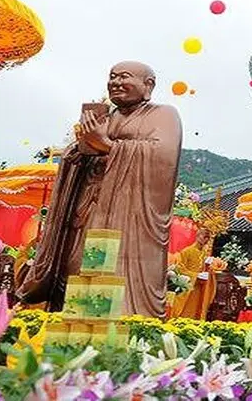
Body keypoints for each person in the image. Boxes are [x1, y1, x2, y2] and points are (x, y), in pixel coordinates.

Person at [18, 61, 183, 318]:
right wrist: (78, 150)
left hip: (126, 217)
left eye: (124, 77)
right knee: (77, 265)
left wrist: (107, 145)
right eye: (112, 77)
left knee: (107, 270)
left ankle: (110, 321)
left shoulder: (163, 114)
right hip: (86, 208)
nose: (116, 83)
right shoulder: (107, 116)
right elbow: (87, 152)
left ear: (148, 85)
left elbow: (163, 156)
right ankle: (70, 321)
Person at [170, 228, 216, 320]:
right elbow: (179, 269)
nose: (206, 240)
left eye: (208, 238)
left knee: (197, 310)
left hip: (198, 287)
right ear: (198, 237)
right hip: (188, 286)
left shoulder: (203, 253)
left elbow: (203, 270)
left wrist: (208, 268)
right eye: (204, 237)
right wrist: (195, 275)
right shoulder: (187, 251)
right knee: (183, 312)